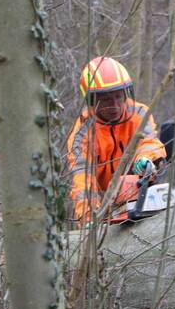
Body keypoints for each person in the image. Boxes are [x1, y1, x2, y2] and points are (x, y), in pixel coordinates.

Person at [66, 57, 166, 222]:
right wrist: (88, 216)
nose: (115, 105)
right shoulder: (82, 133)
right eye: (106, 100)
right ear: (93, 100)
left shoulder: (140, 113)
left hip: (139, 187)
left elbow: (149, 142)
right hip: (104, 198)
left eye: (118, 97)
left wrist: (145, 159)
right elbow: (82, 179)